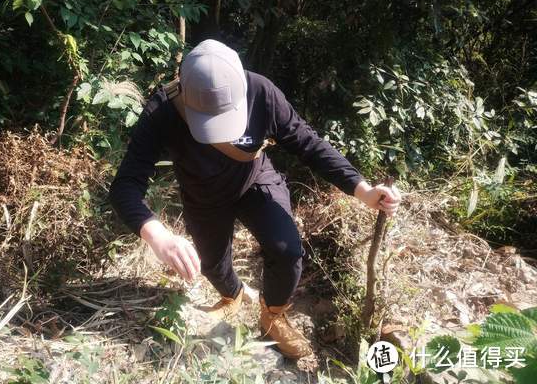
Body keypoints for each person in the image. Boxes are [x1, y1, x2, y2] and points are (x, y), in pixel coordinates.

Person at [108, 39, 401, 359]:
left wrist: (363, 190)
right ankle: (232, 296)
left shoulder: (261, 92)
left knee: (287, 250)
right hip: (203, 196)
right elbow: (125, 185)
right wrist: (159, 237)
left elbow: (308, 143)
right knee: (212, 266)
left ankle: (272, 314)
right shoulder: (163, 109)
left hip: (255, 181)